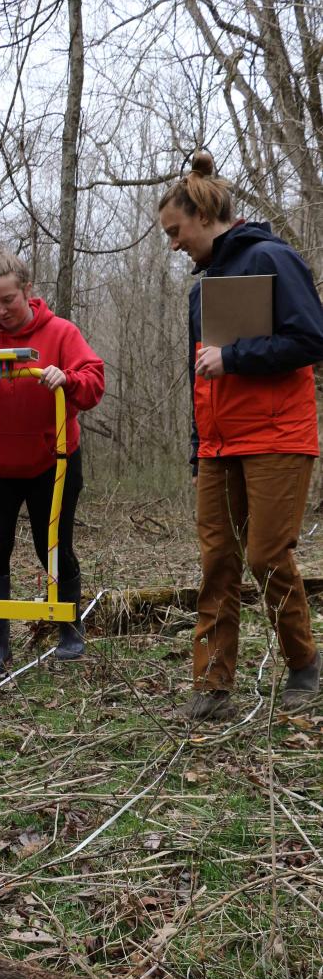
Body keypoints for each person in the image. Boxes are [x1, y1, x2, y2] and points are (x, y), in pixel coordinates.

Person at [158, 150, 323, 719]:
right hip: (218, 444)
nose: (174, 244)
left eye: (176, 232)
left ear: (203, 216)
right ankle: (212, 687)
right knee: (216, 561)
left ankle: (304, 666)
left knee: (266, 556)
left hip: (277, 436)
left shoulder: (272, 256)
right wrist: (197, 447)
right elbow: (199, 376)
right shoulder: (203, 287)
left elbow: (310, 340)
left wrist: (234, 358)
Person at [0, 243, 104, 673]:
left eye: (8, 300)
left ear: (27, 289)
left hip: (54, 459)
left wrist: (65, 378)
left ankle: (69, 630)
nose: (2, 310)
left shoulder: (61, 333)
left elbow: (92, 381)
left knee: (54, 546)